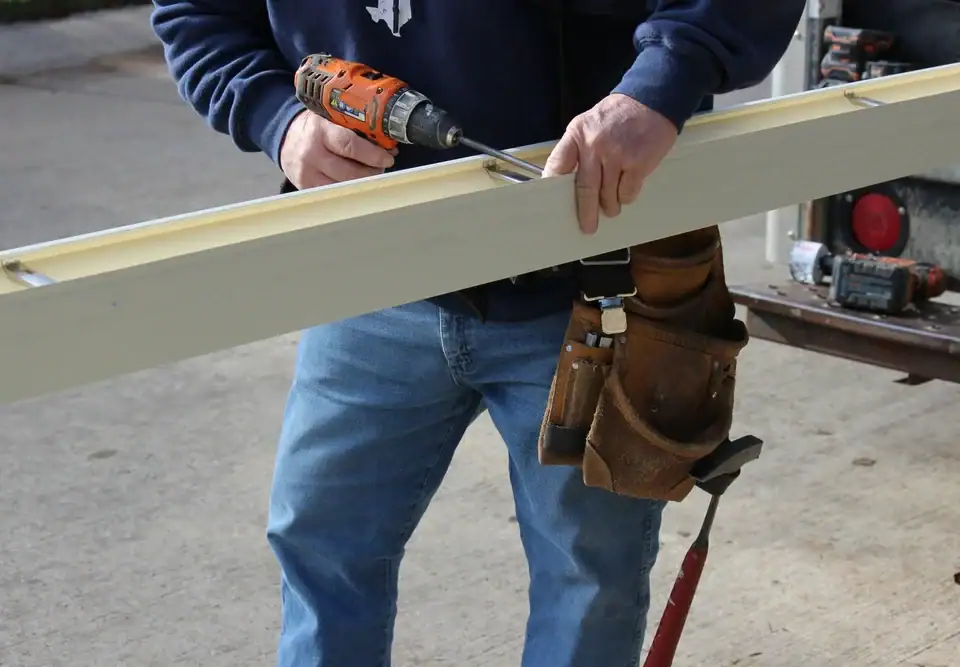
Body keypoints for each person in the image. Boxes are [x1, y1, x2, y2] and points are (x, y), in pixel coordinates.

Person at [150, 1, 805, 665]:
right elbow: (196, 13)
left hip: (590, 283)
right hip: (371, 274)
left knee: (587, 579)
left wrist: (660, 86)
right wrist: (278, 119)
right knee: (322, 546)